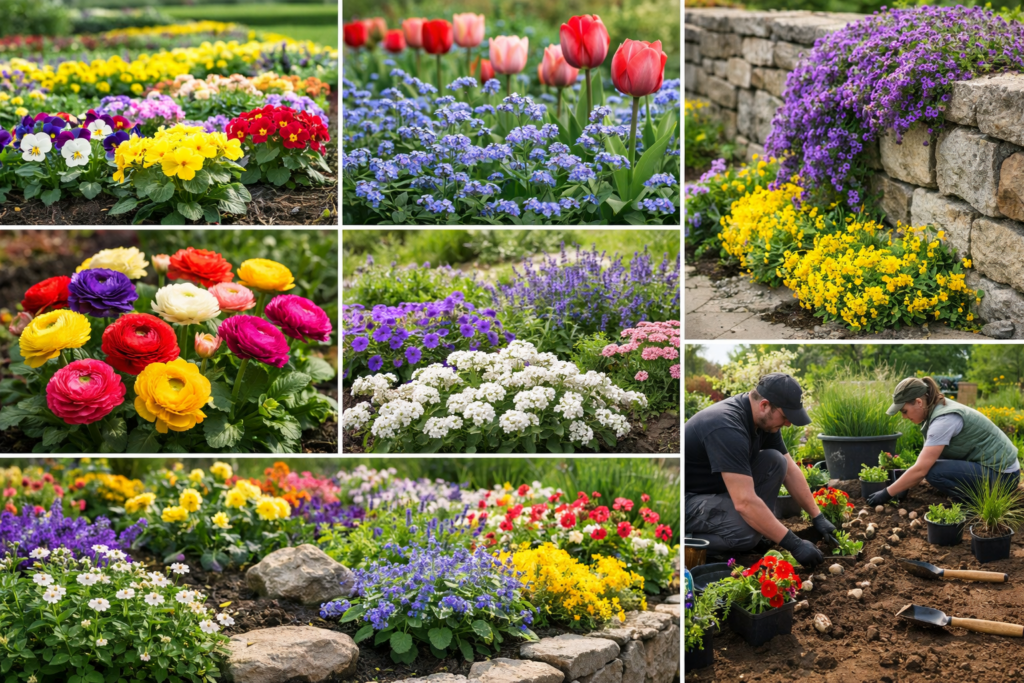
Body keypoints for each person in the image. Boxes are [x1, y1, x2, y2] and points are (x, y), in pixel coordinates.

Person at [685, 372, 831, 568]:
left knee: (776, 460)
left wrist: (817, 516)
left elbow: (789, 470)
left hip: (715, 492)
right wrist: (793, 544)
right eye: (786, 416)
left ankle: (752, 528)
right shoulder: (726, 426)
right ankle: (686, 542)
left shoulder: (762, 421)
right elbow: (745, 502)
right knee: (746, 534)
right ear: (764, 405)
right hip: (687, 500)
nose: (788, 424)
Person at [865, 377, 1020, 506]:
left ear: (918, 402)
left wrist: (887, 493)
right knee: (933, 465)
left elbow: (921, 470)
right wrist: (905, 483)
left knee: (933, 472)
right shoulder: (938, 408)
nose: (904, 417)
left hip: (1003, 477)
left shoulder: (944, 420)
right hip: (995, 469)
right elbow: (929, 460)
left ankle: (973, 504)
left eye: (904, 411)